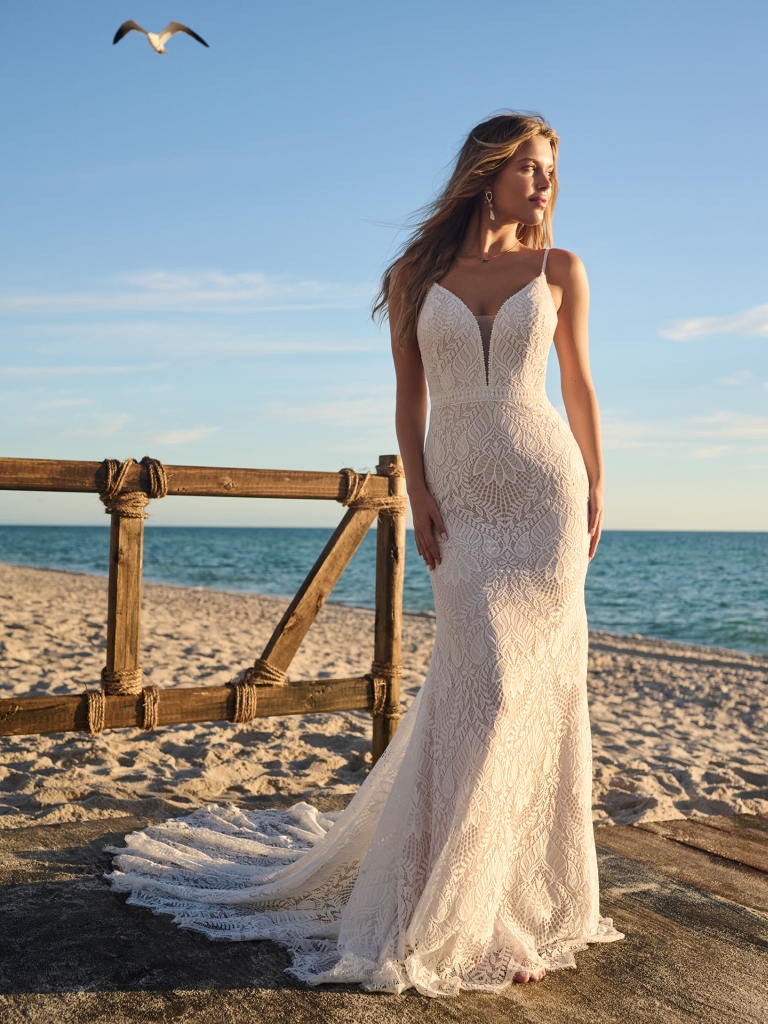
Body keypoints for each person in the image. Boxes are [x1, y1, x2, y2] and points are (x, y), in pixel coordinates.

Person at [109, 112, 624, 997]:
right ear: (490, 172)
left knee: (528, 693)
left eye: (552, 175)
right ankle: (447, 898)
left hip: (546, 496)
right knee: (486, 688)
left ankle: (496, 908)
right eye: (533, 170)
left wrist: (598, 488)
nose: (546, 188)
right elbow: (407, 403)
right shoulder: (416, 274)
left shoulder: (560, 269)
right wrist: (417, 493)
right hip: (460, 498)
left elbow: (578, 384)